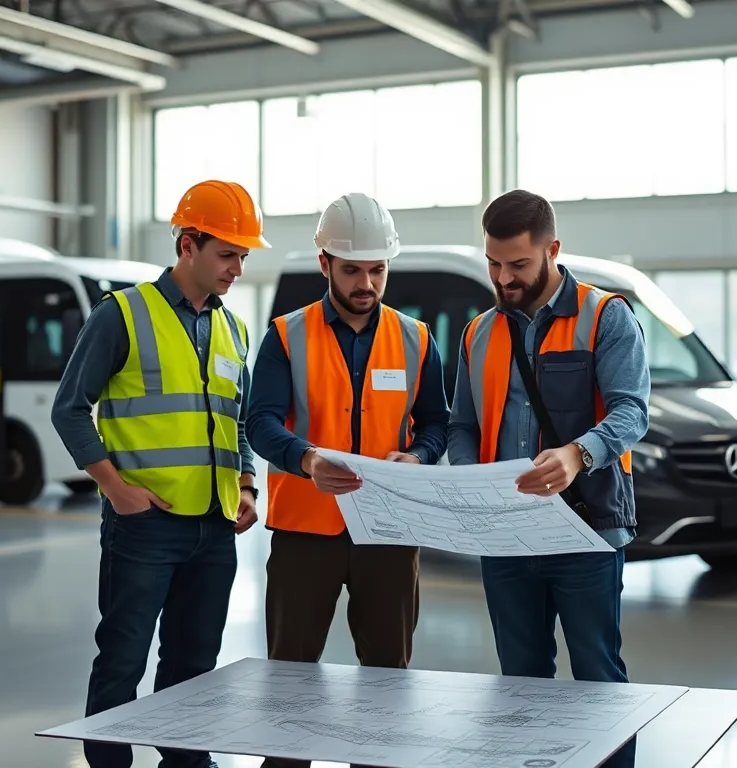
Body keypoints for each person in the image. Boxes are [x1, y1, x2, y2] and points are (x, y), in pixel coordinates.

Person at [50, 179, 266, 768]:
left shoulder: (233, 329)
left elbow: (237, 423)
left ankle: (188, 762)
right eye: (228, 254)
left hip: (217, 528)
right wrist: (115, 488)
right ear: (188, 244)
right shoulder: (122, 314)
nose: (237, 269)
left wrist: (245, 483)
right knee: (122, 658)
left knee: (195, 665)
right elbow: (69, 408)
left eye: (243, 257)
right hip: (145, 526)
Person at [446, 189, 650, 768]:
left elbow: (631, 411)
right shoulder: (477, 332)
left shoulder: (605, 317)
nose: (503, 277)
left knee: (598, 678)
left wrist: (577, 456)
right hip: (506, 537)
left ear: (552, 249)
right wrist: (469, 479)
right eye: (493, 263)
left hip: (586, 531)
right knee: (521, 684)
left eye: (518, 264)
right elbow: (463, 425)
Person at [245, 192, 450, 768]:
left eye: (377, 269)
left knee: (387, 681)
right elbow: (258, 423)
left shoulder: (416, 339)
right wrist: (307, 459)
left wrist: (421, 456)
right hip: (304, 531)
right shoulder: (286, 335)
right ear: (325, 264)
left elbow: (437, 422)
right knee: (291, 681)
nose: (367, 282)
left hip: (388, 532)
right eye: (354, 269)